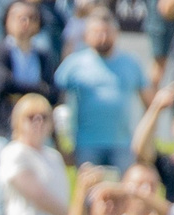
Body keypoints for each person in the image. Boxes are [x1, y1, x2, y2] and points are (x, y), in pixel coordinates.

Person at [56, 5, 147, 169]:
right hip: (87, 143)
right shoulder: (73, 65)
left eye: (106, 32)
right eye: (97, 33)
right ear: (86, 35)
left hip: (123, 144)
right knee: (89, 191)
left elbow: (148, 102)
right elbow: (56, 102)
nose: (102, 37)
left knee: (124, 192)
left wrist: (144, 140)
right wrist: (61, 144)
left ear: (116, 33)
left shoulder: (131, 63)